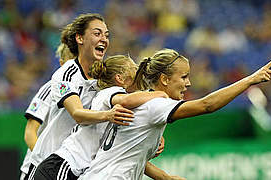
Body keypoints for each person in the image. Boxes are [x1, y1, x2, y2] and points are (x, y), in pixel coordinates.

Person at [80, 48, 271, 179]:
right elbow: (207, 105)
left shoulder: (145, 101)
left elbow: (127, 156)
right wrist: (249, 80)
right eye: (183, 77)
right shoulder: (156, 105)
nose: (188, 83)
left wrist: (165, 177)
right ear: (165, 80)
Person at [33, 54, 182, 180]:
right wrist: (160, 94)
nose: (138, 73)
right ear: (120, 78)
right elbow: (126, 100)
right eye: (134, 69)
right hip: (66, 165)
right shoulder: (111, 93)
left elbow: (129, 156)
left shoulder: (121, 105)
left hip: (77, 170)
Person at [26, 13, 134, 179]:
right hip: (49, 164)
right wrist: (108, 115)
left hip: (80, 167)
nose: (104, 39)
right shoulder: (65, 74)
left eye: (106, 35)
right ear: (80, 38)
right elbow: (78, 114)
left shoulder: (103, 78)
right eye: (97, 34)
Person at [20, 43, 75, 180]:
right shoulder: (50, 89)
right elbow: (29, 132)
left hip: (63, 168)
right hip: (37, 168)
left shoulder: (85, 91)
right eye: (71, 61)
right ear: (62, 63)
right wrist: (44, 164)